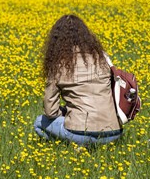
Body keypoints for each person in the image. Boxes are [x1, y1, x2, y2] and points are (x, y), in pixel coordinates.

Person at [34, 14, 123, 146]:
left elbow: (50, 112)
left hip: (81, 132)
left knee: (39, 122)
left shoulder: (58, 65)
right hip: (114, 132)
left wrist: (65, 113)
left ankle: (70, 148)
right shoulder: (102, 59)